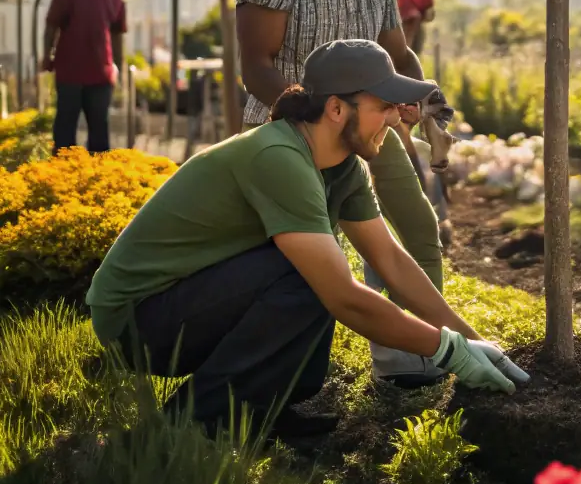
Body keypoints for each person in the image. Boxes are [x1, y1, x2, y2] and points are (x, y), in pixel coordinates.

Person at [86, 39, 528, 439]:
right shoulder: (278, 156)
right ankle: (187, 425)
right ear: (337, 109)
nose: (395, 119)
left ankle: (259, 411)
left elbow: (390, 259)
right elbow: (344, 298)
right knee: (313, 276)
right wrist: (447, 351)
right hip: (139, 319)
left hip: (192, 302)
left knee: (312, 275)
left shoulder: (344, 167)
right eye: (384, 106)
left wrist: (472, 340)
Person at [235, 0, 450, 386]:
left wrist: (432, 113)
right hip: (290, 137)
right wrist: (311, 115)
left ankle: (416, 357)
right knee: (304, 261)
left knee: (418, 227)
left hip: (368, 133)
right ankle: (286, 379)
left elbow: (400, 56)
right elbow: (256, 66)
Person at [42, 0, 130, 154]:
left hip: (102, 75)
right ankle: (58, 179)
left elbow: (117, 36)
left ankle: (98, 181)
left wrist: (120, 68)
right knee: (65, 131)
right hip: (69, 71)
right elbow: (52, 25)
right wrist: (47, 55)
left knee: (100, 134)